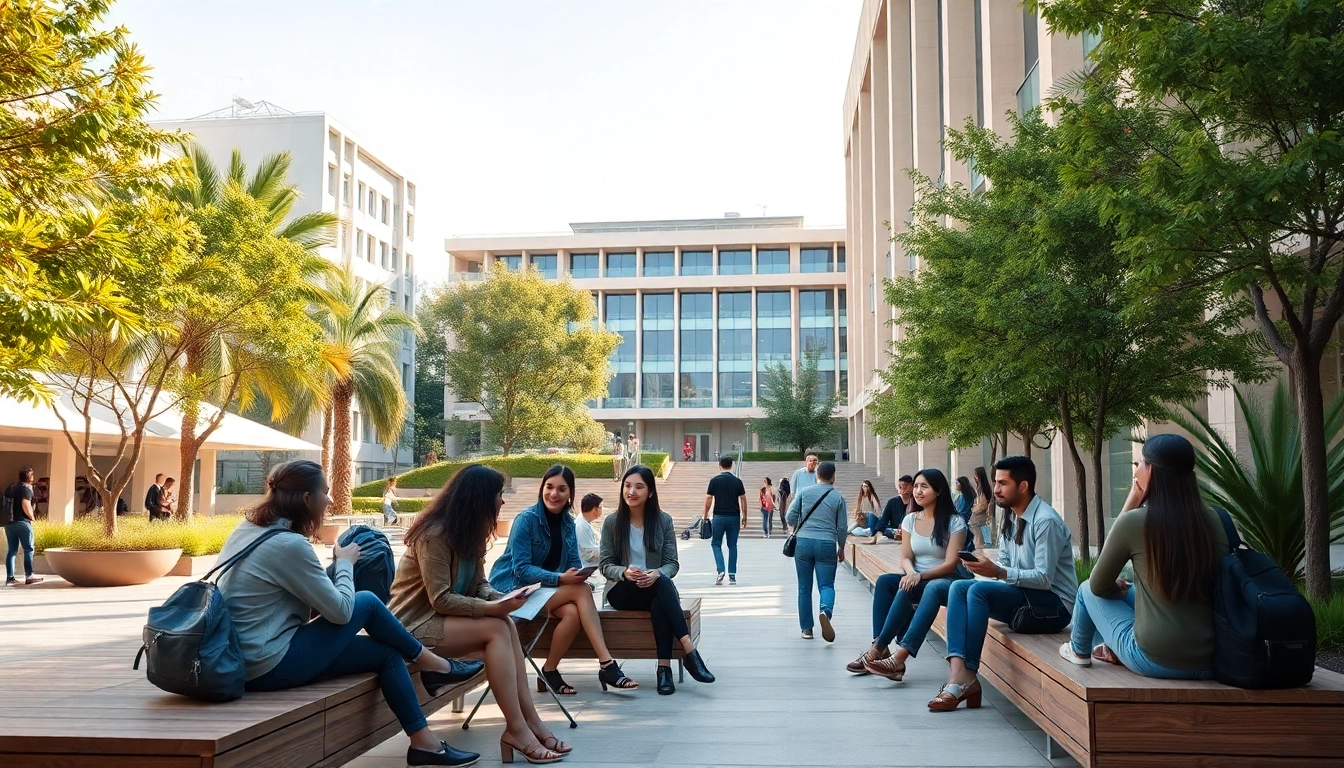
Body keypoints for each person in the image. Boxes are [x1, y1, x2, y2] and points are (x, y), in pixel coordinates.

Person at [216, 460, 480, 767]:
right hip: (267, 663)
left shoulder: (248, 529)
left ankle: (424, 745)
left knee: (386, 654)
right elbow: (342, 612)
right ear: (306, 499)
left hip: (246, 654)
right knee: (366, 600)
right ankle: (432, 663)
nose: (329, 500)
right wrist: (344, 562)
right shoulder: (289, 545)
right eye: (325, 492)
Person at [390, 464, 570, 764]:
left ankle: (531, 725)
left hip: (442, 620)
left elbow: (479, 584)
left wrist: (500, 597)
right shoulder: (434, 535)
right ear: (480, 498)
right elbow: (441, 599)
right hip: (412, 624)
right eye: (499, 495)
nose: (502, 501)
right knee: (498, 626)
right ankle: (517, 729)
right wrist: (492, 608)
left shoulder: (468, 533)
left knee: (506, 624)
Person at [1059, 434, 1229, 679]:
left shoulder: (1135, 522)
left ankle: (1078, 651)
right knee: (1129, 591)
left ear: (1152, 473)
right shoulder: (1217, 519)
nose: (1137, 470)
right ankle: (1105, 648)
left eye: (1141, 463)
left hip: (1154, 658)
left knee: (1086, 590)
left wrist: (1132, 503)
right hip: (1214, 656)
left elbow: (1098, 584)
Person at [931, 456, 1077, 712]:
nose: (995, 489)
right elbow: (1008, 563)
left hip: (1054, 607)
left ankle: (968, 675)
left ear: (1023, 486)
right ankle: (958, 677)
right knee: (958, 587)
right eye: (996, 482)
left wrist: (998, 572)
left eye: (1003, 483)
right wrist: (984, 568)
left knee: (976, 592)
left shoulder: (1045, 521)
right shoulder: (1010, 517)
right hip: (1025, 597)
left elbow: (1044, 578)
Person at [489, 465, 636, 696]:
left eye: (561, 489)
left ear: (570, 494)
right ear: (542, 489)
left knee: (573, 612)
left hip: (543, 592)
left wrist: (579, 575)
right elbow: (521, 570)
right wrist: (561, 578)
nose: (554, 494)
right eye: (549, 487)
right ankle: (607, 664)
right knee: (580, 593)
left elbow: (574, 563)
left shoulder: (568, 524)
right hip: (513, 591)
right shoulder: (526, 520)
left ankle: (549, 669)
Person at [600, 464, 715, 695]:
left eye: (639, 487)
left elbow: (672, 563)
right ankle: (689, 651)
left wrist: (656, 573)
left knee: (659, 594)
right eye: (628, 486)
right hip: (622, 590)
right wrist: (625, 572)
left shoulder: (663, 521)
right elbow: (605, 565)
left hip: (654, 588)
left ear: (650, 492)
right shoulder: (612, 522)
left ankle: (664, 670)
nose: (631, 492)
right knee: (663, 587)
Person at [850, 468, 969, 680]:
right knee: (886, 581)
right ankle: (881, 647)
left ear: (939, 490)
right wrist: (913, 572)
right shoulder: (910, 520)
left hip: (944, 580)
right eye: (915, 486)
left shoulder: (955, 522)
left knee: (909, 587)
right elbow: (905, 557)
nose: (918, 491)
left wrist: (919, 577)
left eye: (924, 486)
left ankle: (878, 652)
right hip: (917, 576)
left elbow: (951, 563)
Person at [786, 461, 848, 642]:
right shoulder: (838, 497)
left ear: (817, 475)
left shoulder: (804, 493)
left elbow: (790, 517)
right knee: (826, 585)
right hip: (827, 543)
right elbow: (842, 527)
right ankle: (825, 611)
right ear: (833, 476)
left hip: (803, 543)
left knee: (804, 588)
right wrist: (841, 547)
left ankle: (806, 629)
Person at [702, 456, 747, 585]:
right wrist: (745, 516)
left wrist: (705, 515)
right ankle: (732, 574)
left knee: (716, 544)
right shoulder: (737, 481)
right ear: (732, 465)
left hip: (719, 517)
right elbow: (743, 499)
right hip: (734, 517)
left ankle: (721, 570)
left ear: (719, 465)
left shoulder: (714, 481)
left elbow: (709, 499)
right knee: (732, 545)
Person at [4, 467, 43, 585]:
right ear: (30, 477)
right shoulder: (27, 488)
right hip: (22, 522)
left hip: (9, 523)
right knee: (29, 549)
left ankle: (10, 578)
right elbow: (26, 504)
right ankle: (29, 576)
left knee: (12, 551)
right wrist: (32, 517)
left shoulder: (11, 488)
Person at [969, 466, 995, 549]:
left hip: (979, 515)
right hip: (981, 515)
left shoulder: (982, 488)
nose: (974, 476)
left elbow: (982, 504)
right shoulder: (982, 487)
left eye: (976, 474)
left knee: (978, 537)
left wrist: (974, 509)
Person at [576, 493, 604, 567]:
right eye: (600, 507)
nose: (602, 510)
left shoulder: (585, 522)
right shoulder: (581, 526)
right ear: (594, 509)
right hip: (588, 567)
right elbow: (588, 552)